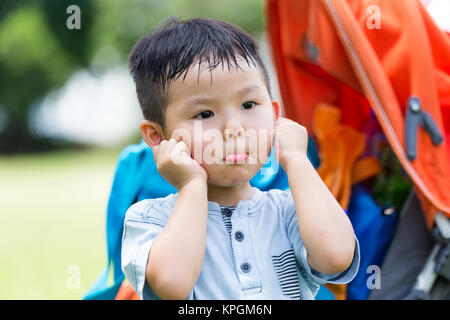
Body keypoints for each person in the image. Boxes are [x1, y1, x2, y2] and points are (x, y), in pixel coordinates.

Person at [121, 16, 360, 300]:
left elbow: (336, 256)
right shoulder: (150, 219)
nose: (234, 128)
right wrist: (192, 186)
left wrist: (297, 160)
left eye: (249, 105)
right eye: (204, 114)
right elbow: (172, 285)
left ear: (273, 115)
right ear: (158, 137)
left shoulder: (289, 211)